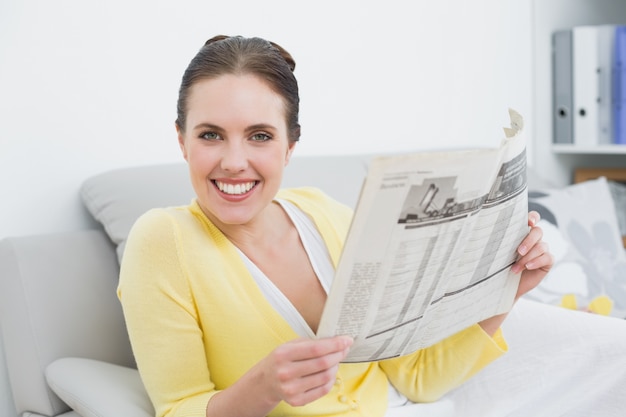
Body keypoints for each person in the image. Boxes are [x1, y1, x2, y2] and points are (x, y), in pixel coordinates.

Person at [118, 35, 626, 417]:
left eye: (259, 135)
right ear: (182, 140)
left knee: (610, 353)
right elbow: (177, 407)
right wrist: (264, 387)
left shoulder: (325, 216)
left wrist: (509, 288)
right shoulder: (162, 241)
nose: (233, 162)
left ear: (289, 147)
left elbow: (420, 378)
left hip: (414, 407)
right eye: (210, 135)